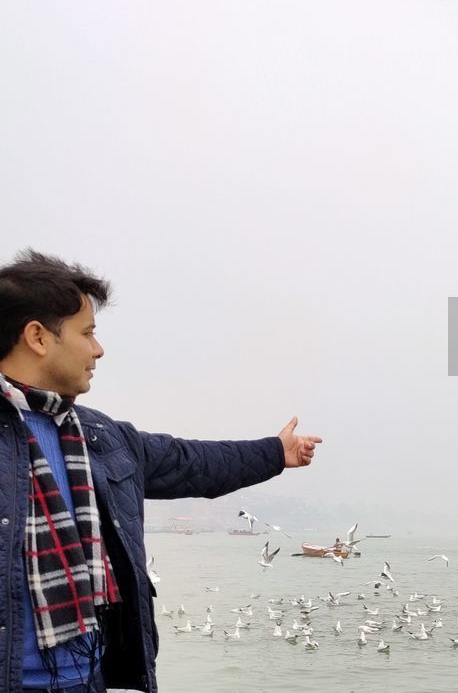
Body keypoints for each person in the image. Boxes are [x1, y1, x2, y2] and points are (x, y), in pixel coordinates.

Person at [0, 251, 322, 693]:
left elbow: (190, 463)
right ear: (37, 336)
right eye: (87, 332)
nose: (98, 349)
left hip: (91, 679)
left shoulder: (101, 436)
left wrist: (273, 453)